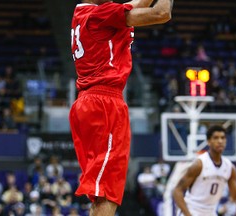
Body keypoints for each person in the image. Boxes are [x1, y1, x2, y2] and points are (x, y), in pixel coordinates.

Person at [69, 0, 173, 215]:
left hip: (89, 102)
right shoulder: (101, 14)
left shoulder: (83, 13)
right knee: (107, 192)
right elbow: (161, 13)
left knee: (101, 192)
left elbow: (135, 4)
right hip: (104, 103)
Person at [172, 125, 236, 216]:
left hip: (211, 212)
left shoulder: (230, 167)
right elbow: (177, 191)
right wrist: (188, 214)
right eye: (216, 138)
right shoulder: (199, 164)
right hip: (192, 210)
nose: (220, 141)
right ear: (208, 141)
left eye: (223, 138)